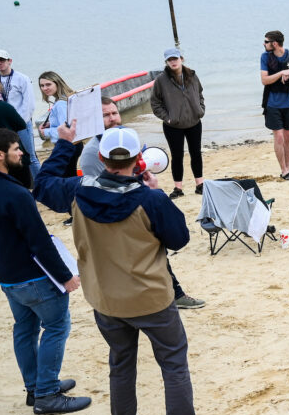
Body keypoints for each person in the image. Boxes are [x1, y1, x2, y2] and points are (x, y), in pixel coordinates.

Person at [35, 123, 212, 415]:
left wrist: (65, 144)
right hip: (150, 296)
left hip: (105, 297)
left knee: (121, 364)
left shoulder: (77, 190)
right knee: (173, 364)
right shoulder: (149, 198)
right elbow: (179, 238)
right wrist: (156, 194)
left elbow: (41, 185)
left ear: (101, 158)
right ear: (138, 159)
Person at [0, 128, 89, 415]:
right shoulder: (16, 193)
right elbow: (39, 241)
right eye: (16, 149)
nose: (22, 153)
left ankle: (35, 388)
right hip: (34, 277)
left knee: (25, 330)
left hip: (7, 277)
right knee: (56, 327)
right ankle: (47, 394)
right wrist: (65, 276)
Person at [78, 97, 204, 310]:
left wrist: (142, 182)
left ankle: (176, 294)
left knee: (156, 253)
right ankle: (169, 296)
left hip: (135, 204)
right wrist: (149, 194)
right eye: (105, 115)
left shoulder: (125, 137)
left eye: (114, 113)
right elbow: (96, 191)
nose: (112, 118)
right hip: (119, 214)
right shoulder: (91, 153)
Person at [150, 48, 207, 198]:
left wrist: (200, 110)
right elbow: (155, 103)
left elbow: (200, 93)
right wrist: (168, 118)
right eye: (170, 60)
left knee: (196, 154)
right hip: (173, 126)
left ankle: (200, 185)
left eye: (175, 58)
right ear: (166, 62)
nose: (173, 62)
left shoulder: (192, 75)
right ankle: (178, 189)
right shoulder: (161, 80)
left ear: (181, 59)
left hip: (194, 122)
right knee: (177, 156)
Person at [258, 30, 289, 180]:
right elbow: (264, 80)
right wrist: (282, 73)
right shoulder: (265, 57)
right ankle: (284, 170)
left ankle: (288, 166)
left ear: (274, 43)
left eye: (266, 41)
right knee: (279, 137)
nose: (264, 44)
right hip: (272, 103)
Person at [0, 51, 39, 178]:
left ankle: (42, 183)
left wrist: (19, 123)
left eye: (2, 60)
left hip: (21, 124)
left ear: (9, 61)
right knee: (9, 157)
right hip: (4, 126)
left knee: (30, 156)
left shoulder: (22, 78)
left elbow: (29, 104)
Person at [36, 70, 74, 145]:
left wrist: (45, 132)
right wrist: (51, 124)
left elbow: (66, 131)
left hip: (66, 145)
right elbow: (69, 122)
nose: (44, 88)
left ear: (57, 84)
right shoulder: (66, 98)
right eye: (42, 85)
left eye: (48, 84)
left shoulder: (60, 104)